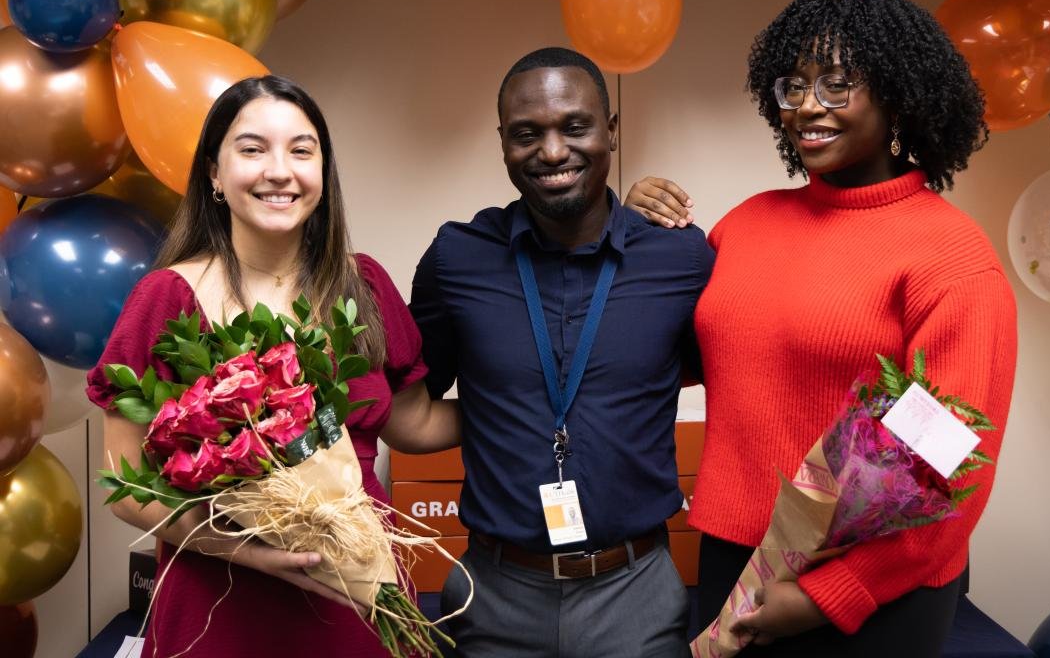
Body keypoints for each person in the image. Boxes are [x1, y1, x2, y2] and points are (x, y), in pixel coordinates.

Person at [625, 0, 1018, 656]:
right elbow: (675, 360)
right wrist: (634, 237)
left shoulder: (948, 256)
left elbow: (956, 467)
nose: (808, 105)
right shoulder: (747, 225)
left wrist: (827, 594)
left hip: (875, 592)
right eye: (794, 84)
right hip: (732, 562)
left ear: (899, 95)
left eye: (839, 86)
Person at [87, 75, 461, 657]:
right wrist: (239, 548)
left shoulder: (362, 286)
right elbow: (127, 487)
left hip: (359, 596)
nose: (279, 171)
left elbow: (414, 425)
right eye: (253, 148)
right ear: (214, 172)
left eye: (301, 150)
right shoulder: (166, 299)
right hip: (220, 608)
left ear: (323, 173)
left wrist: (534, 405)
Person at [410, 47, 714, 657]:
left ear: (611, 132)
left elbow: (732, 380)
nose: (552, 152)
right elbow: (412, 405)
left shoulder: (681, 259)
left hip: (637, 596)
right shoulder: (455, 259)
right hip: (493, 595)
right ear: (503, 143)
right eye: (527, 134)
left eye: (575, 126)